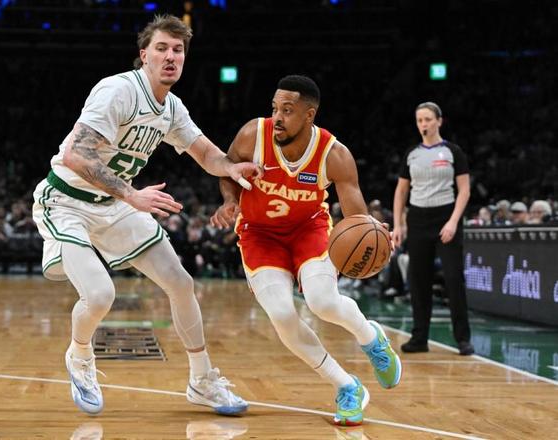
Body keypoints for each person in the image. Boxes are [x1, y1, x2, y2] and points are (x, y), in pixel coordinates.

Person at [31, 15, 258, 416]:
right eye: (162, 48)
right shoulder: (118, 90)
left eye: (178, 50)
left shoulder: (171, 107)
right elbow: (76, 155)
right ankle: (80, 356)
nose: (171, 56)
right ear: (144, 55)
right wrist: (132, 195)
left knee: (181, 283)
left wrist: (230, 167)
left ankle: (202, 380)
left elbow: (205, 152)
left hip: (115, 203)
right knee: (100, 295)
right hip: (67, 202)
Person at [211, 75, 401, 426]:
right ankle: (347, 385)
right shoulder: (253, 135)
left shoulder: (334, 154)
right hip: (259, 234)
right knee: (282, 315)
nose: (277, 117)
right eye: (274, 108)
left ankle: (371, 338)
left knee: (323, 301)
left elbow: (355, 216)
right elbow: (226, 169)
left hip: (308, 230)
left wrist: (373, 230)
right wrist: (228, 200)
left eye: (287, 110)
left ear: (309, 114)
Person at [391, 102, 474, 356]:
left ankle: (462, 339)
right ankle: (419, 338)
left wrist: (453, 221)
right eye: (419, 120)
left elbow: (464, 190)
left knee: (453, 278)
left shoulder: (453, 151)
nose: (423, 124)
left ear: (439, 121)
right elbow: (401, 191)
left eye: (428, 119)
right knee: (418, 280)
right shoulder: (412, 154)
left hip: (446, 216)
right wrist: (399, 224)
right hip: (418, 218)